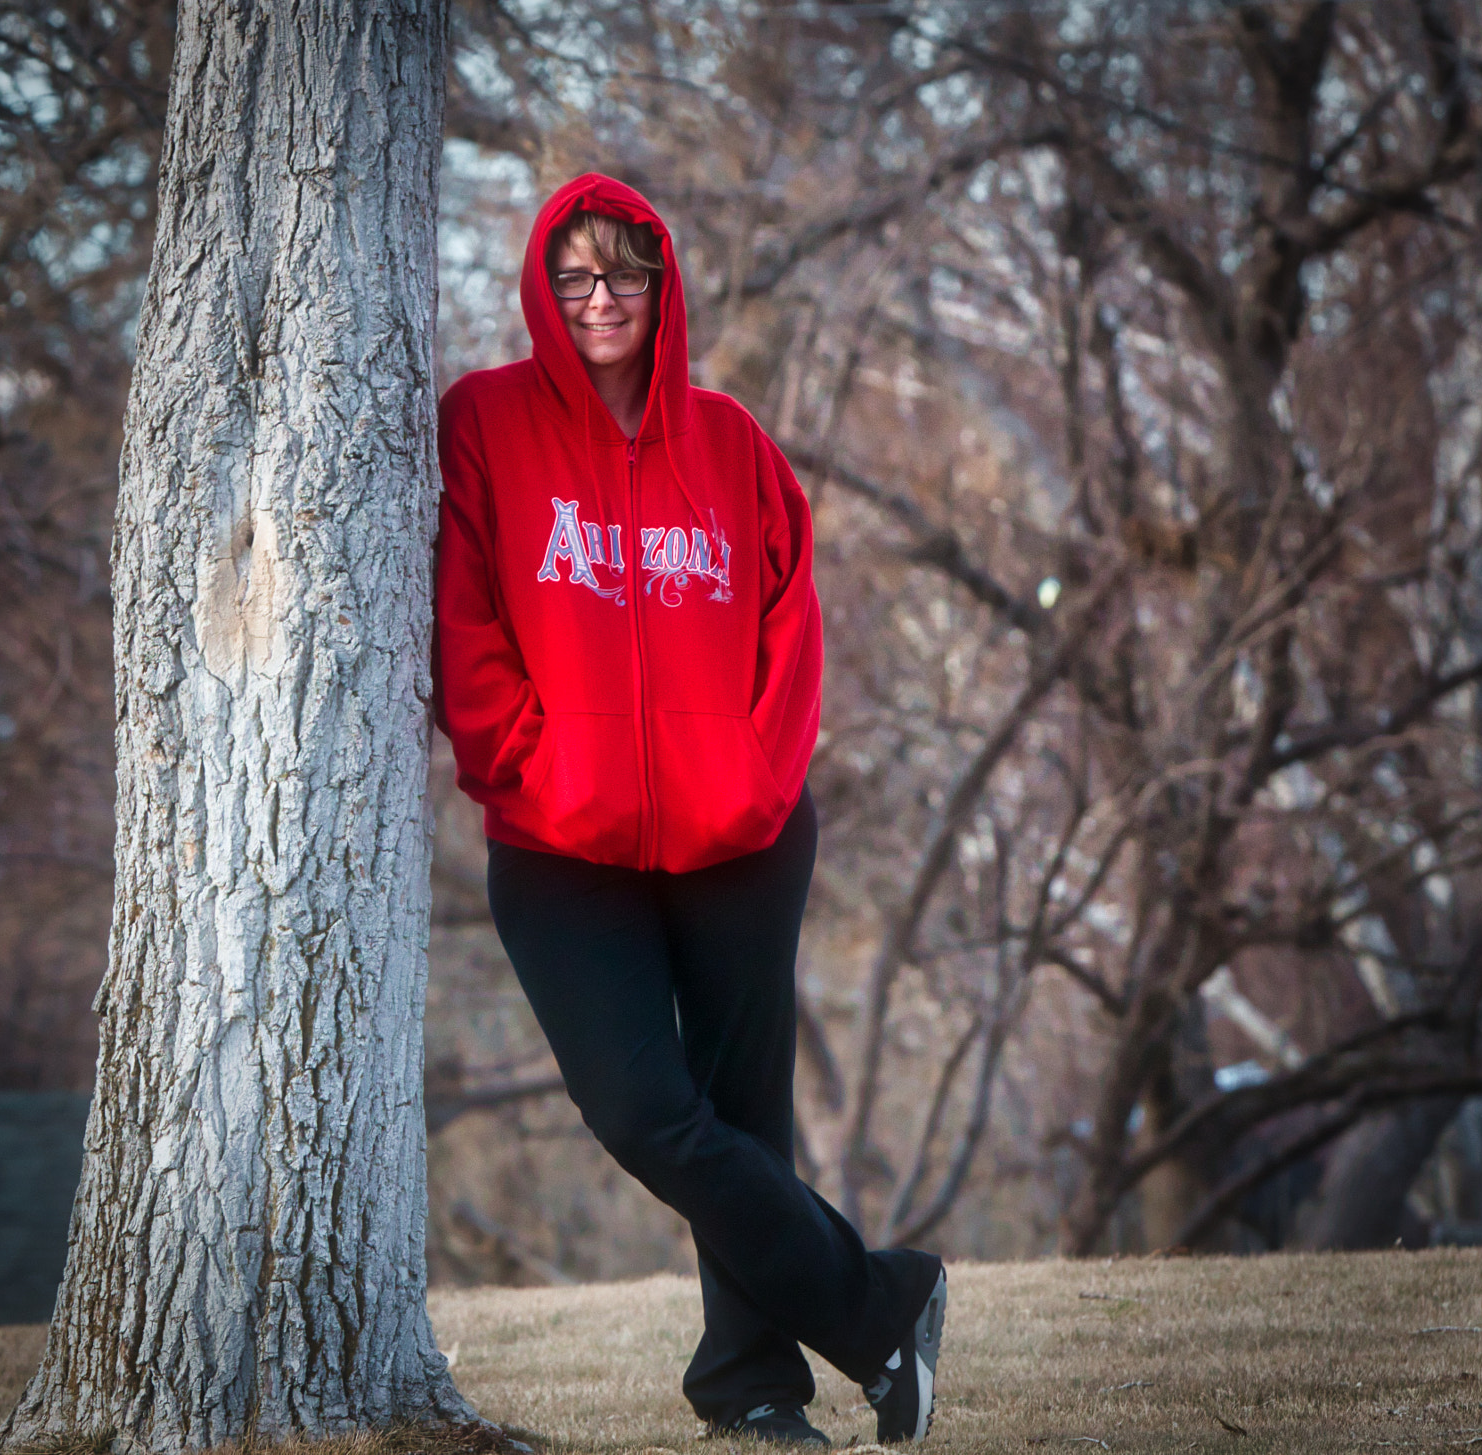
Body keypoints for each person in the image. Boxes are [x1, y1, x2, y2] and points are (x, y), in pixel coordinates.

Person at [434, 173, 947, 1446]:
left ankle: (754, 1391)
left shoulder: (729, 443)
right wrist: (540, 771)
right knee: (643, 1113)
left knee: (744, 1113)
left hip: (739, 844)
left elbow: (790, 627)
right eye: (575, 278)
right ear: (543, 295)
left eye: (623, 274)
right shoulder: (484, 425)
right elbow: (465, 626)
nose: (599, 298)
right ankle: (883, 1305)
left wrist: (753, 785)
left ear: (663, 287)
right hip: (561, 848)